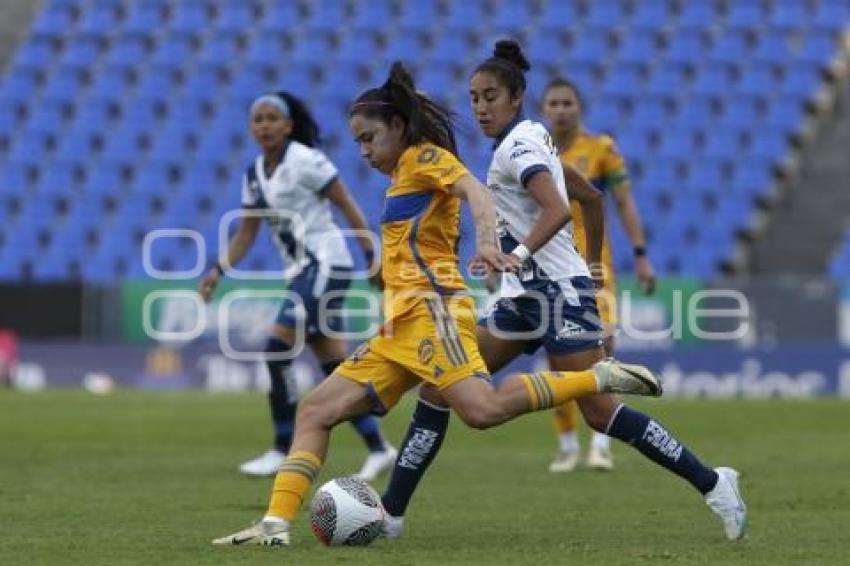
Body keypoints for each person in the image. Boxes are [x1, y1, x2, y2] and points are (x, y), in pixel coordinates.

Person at [211, 62, 661, 547]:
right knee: (316, 411)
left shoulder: (427, 157)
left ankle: (597, 377)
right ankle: (275, 524)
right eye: (357, 141)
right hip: (400, 325)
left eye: (369, 138)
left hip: (437, 314)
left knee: (482, 411)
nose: (362, 151)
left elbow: (477, 192)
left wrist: (488, 244)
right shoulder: (401, 173)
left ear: (398, 128)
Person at [378, 41, 747, 542]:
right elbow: (591, 199)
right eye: (474, 98)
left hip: (556, 294)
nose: (480, 107)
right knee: (440, 387)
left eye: (490, 97)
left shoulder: (519, 147)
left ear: (515, 98)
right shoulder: (534, 138)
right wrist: (592, 266)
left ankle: (714, 483)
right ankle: (392, 516)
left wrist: (525, 257)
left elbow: (558, 210)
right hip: (528, 296)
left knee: (599, 413)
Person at [198, 91, 396, 480]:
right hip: (303, 272)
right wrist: (217, 269)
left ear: (289, 125)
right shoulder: (254, 173)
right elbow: (246, 233)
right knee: (333, 365)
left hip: (327, 263)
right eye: (259, 119)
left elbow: (347, 205)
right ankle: (378, 446)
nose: (265, 125)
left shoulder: (305, 160)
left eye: (273, 118)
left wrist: (371, 256)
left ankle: (282, 445)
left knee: (276, 348)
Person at [542, 77, 658, 473]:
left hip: (595, 267)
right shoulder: (532, 152)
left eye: (567, 102)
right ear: (544, 110)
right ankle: (567, 444)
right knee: (558, 357)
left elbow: (624, 204)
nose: (560, 110)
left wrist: (641, 255)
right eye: (554, 103)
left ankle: (601, 442)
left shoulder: (601, 150)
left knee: (603, 349)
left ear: (579, 107)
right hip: (549, 265)